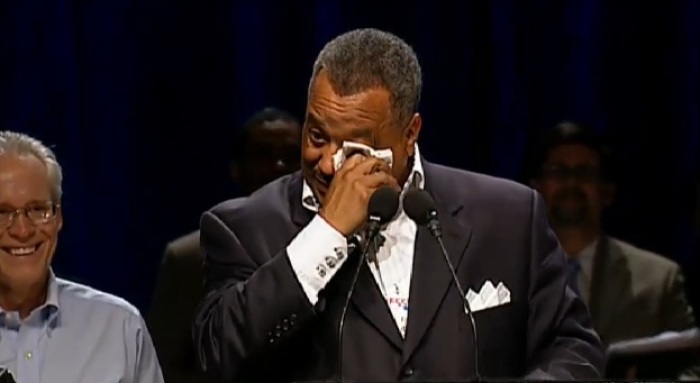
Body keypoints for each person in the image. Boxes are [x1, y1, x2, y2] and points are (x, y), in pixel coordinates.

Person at [193, 29, 604, 382]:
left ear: (410, 134)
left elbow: (572, 349)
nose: (327, 163)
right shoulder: (243, 228)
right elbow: (219, 357)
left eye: (353, 147)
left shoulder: (508, 216)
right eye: (317, 136)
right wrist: (325, 234)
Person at [528, 122, 698, 378]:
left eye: (585, 173)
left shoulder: (659, 279)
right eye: (558, 172)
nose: (571, 183)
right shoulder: (507, 276)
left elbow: (693, 369)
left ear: (607, 192)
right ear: (536, 189)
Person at [147, 107, 301, 383]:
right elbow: (161, 368)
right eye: (263, 155)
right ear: (236, 169)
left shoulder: (338, 251)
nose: (278, 167)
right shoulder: (189, 260)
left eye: (290, 156)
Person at [0, 131, 163, 382]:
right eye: (2, 212)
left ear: (58, 218)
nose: (22, 230)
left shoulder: (119, 328)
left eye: (37, 210)